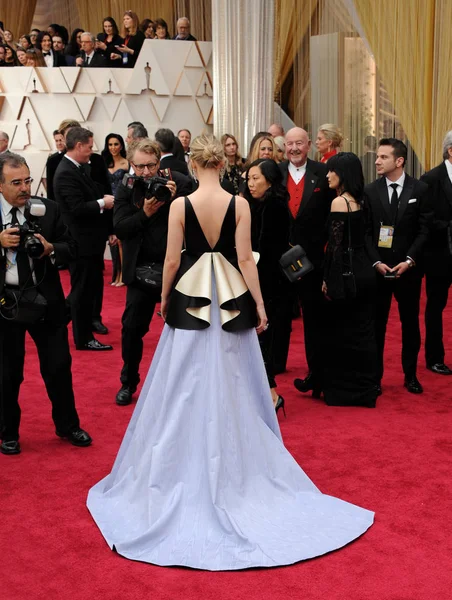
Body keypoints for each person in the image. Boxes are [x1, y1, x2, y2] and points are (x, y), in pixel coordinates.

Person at [87, 134, 374, 570]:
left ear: (195, 164)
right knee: (235, 377)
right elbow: (245, 260)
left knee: (182, 381)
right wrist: (259, 305)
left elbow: (170, 261)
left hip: (191, 296)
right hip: (230, 297)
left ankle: (180, 458)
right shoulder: (239, 203)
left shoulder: (180, 205)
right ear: (222, 164)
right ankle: (237, 465)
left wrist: (165, 299)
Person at [0, 153, 92, 455]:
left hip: (46, 302)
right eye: (16, 183)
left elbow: (73, 247)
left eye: (27, 180)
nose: (25, 188)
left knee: (58, 367)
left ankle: (67, 425)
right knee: (7, 373)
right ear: (0, 186)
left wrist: (51, 248)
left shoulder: (47, 209)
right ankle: (8, 432)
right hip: (5, 304)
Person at [112, 139, 177, 406]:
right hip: (139, 270)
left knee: (179, 330)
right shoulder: (125, 189)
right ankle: (128, 382)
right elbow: (121, 228)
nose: (146, 172)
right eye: (140, 166)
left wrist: (177, 197)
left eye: (151, 165)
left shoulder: (177, 183)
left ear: (159, 163)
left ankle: (176, 385)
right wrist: (146, 213)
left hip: (174, 270)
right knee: (131, 329)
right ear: (131, 165)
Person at [365, 138, 432, 395]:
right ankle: (374, 378)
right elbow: (367, 233)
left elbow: (425, 231)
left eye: (383, 157)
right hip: (379, 271)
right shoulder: (371, 191)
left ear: (399, 161)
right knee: (376, 325)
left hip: (408, 270)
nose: (377, 161)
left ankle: (411, 375)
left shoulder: (420, 190)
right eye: (378, 157)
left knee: (410, 324)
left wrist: (409, 261)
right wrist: (377, 262)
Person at [280, 127, 335, 399]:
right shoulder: (273, 172)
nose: (294, 149)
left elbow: (330, 218)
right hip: (278, 258)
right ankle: (273, 371)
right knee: (277, 314)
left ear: (309, 145)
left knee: (314, 318)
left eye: (299, 143)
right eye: (289, 144)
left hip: (313, 259)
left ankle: (317, 375)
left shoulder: (324, 174)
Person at [322, 153, 378, 407]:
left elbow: (335, 248)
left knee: (341, 331)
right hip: (365, 272)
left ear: (343, 173)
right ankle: (366, 389)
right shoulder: (363, 200)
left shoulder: (340, 203)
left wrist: (327, 279)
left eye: (332, 171)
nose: (328, 175)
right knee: (363, 331)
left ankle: (342, 391)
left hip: (346, 276)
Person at [53, 127, 114, 351]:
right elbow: (76, 208)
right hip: (80, 243)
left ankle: (59, 323)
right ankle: (83, 337)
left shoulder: (78, 168)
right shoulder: (66, 172)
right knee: (81, 292)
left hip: (89, 242)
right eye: (89, 147)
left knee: (85, 290)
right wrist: (103, 203)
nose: (91, 151)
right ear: (78, 146)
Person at [244, 159, 291, 413]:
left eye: (256, 178)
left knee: (263, 337)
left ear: (270, 180)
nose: (251, 184)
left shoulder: (274, 206)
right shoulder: (255, 203)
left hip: (269, 284)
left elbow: (267, 251)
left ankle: (271, 394)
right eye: (248, 178)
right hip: (258, 280)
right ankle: (266, 393)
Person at [419, 130, 452, 376]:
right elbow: (426, 220)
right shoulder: (431, 179)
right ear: (450, 151)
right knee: (435, 307)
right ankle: (435, 357)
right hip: (440, 255)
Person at [101, 133, 129, 287]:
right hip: (108, 205)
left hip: (122, 204)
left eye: (116, 144)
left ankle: (123, 275)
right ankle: (116, 274)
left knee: (121, 241)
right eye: (110, 144)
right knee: (112, 241)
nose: (113, 148)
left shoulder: (127, 163)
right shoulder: (104, 162)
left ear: (121, 145)